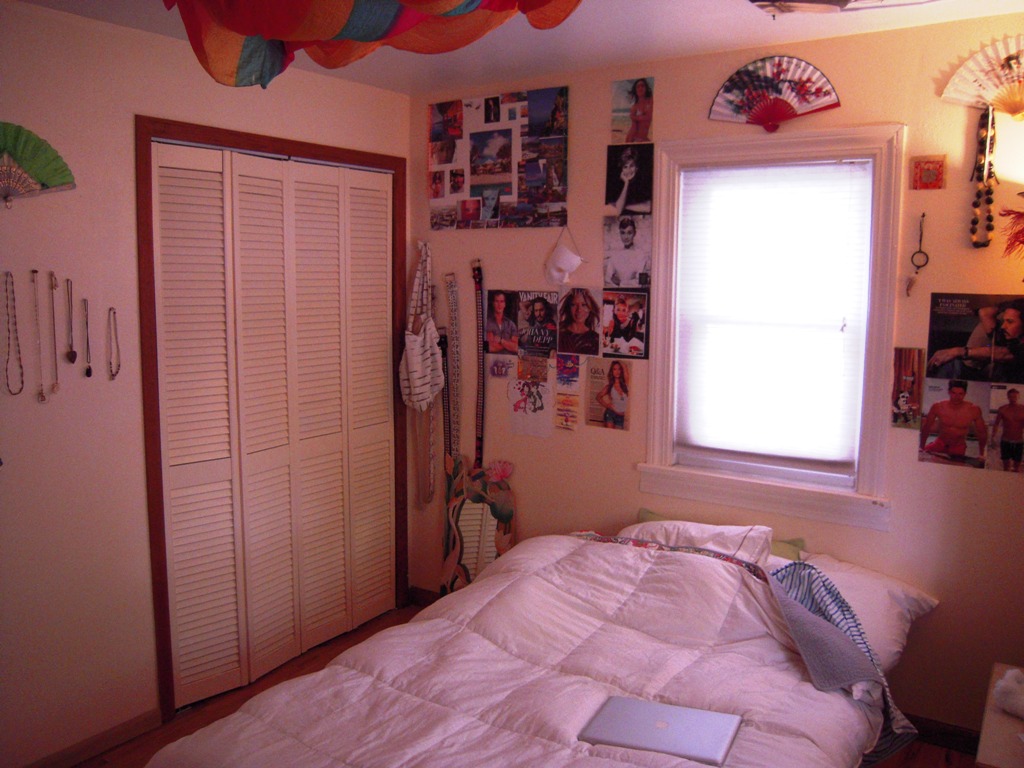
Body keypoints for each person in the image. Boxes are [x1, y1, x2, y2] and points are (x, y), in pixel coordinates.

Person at [919, 379, 987, 463]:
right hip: (939, 443)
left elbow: (982, 432)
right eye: (954, 393)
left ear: (965, 394)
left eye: (960, 394)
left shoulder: (974, 410)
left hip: (958, 447)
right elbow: (927, 427)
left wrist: (981, 454)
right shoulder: (938, 406)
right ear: (949, 392)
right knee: (921, 457)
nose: (956, 397)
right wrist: (921, 447)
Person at [926, 305, 998, 380]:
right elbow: (984, 313)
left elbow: (984, 313)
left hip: (968, 368)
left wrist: (957, 352)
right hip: (965, 365)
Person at [604, 216, 650, 287]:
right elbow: (607, 280)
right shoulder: (615, 256)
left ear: (634, 233)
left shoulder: (641, 256)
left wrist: (620, 283)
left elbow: (641, 283)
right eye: (623, 233)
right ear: (620, 234)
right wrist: (629, 282)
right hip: (616, 293)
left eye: (629, 233)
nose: (626, 237)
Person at [607, 145, 651, 216]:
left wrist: (624, 206)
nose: (628, 170)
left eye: (632, 166)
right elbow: (618, 211)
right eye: (625, 167)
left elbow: (648, 207)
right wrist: (626, 183)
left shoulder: (643, 181)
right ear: (622, 169)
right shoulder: (616, 184)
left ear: (636, 168)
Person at [557, 288, 600, 355]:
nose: (579, 310)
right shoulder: (558, 331)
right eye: (574, 305)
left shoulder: (595, 339)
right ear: (568, 307)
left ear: (590, 308)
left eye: (584, 305)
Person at [993, 388, 1024, 471]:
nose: (1013, 399)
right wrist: (993, 437)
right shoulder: (1002, 409)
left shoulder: (1023, 409)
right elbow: (996, 424)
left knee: (1016, 468)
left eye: (1015, 397)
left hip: (1019, 441)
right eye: (1011, 397)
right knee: (1006, 467)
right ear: (1008, 397)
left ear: (1019, 397)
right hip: (1005, 440)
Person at [596, 360, 629, 429]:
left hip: (621, 416)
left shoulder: (625, 384)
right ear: (612, 371)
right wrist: (607, 405)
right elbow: (598, 397)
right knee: (609, 435)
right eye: (614, 369)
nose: (617, 371)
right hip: (610, 413)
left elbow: (625, 366)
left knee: (618, 435)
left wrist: (618, 359)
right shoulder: (609, 387)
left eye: (619, 369)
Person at [625, 78, 653, 143]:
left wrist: (634, 117)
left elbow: (649, 116)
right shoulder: (634, 107)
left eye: (642, 86)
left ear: (646, 88)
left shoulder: (650, 101)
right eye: (638, 87)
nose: (640, 88)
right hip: (635, 139)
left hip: (643, 139)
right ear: (635, 90)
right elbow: (633, 127)